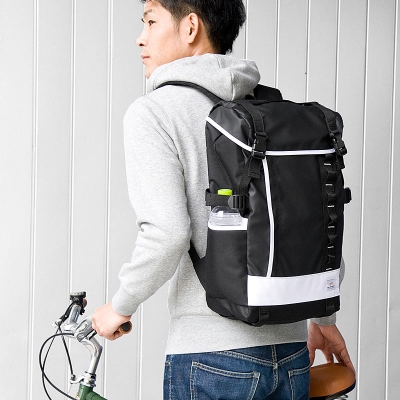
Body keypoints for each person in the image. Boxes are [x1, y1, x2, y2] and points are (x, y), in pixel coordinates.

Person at [92, 0, 355, 398]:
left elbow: (167, 233)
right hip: (291, 352)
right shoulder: (271, 111)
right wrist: (324, 318)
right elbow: (309, 222)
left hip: (212, 356)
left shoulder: (155, 112)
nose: (140, 38)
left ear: (190, 26)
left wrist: (119, 307)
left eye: (150, 22)